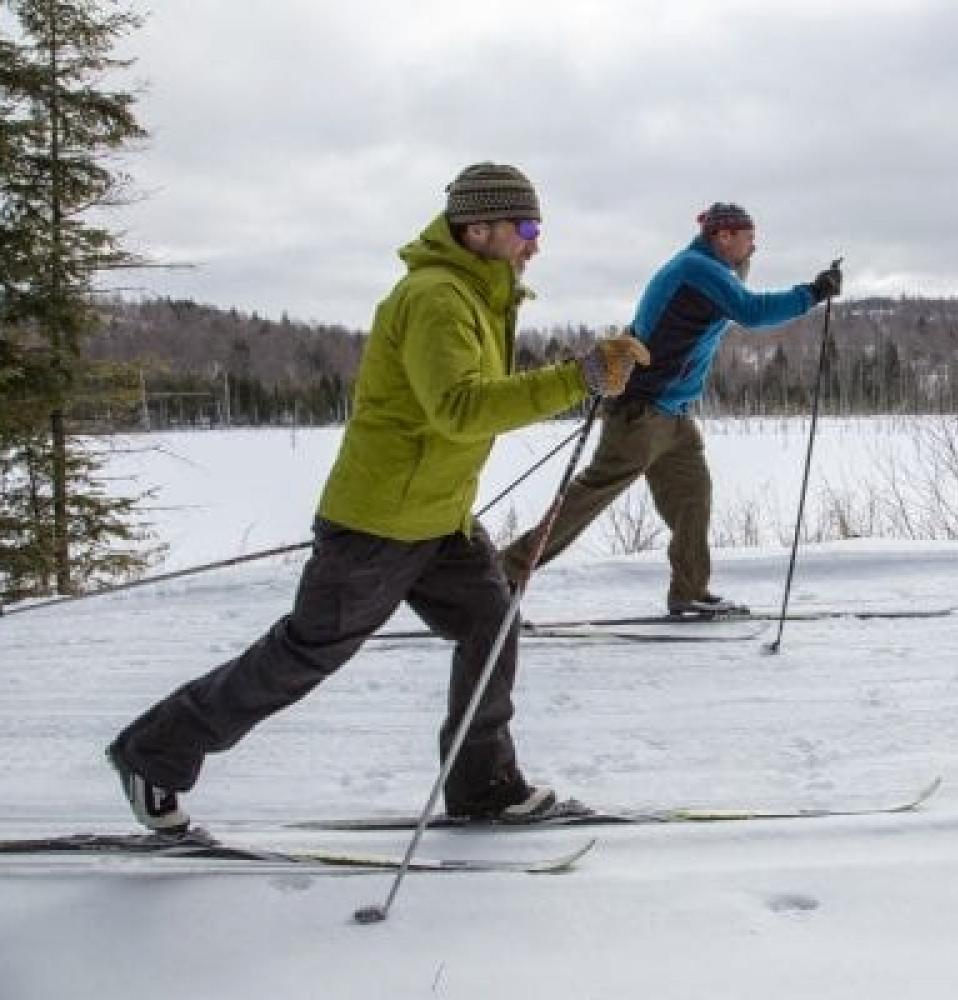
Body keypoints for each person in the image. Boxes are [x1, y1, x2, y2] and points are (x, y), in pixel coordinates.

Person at [106, 162, 648, 832]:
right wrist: (577, 379)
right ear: (478, 228)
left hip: (440, 520)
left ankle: (483, 785)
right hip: (379, 523)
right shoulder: (436, 298)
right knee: (306, 652)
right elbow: (458, 407)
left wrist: (579, 377)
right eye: (526, 227)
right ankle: (153, 753)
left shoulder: (481, 295)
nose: (536, 242)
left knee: (492, 618)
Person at [502, 202, 842, 616]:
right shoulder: (697, 270)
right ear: (723, 236)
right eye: (748, 239)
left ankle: (690, 591)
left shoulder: (703, 269)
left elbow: (708, 305)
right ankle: (505, 572)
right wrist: (814, 292)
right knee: (589, 498)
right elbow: (751, 312)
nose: (754, 248)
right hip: (642, 413)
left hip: (673, 417)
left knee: (692, 498)